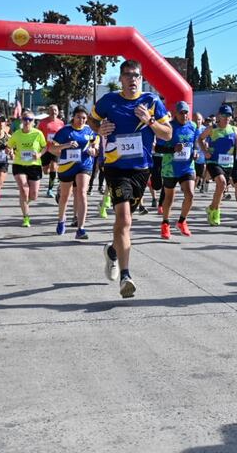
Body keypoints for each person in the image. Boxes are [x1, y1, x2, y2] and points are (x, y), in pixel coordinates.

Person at [88, 60, 172, 297]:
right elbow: (92, 120)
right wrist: (98, 129)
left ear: (141, 78)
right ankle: (126, 275)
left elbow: (168, 134)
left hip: (141, 169)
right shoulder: (109, 101)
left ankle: (113, 252)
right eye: (128, 75)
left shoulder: (151, 102)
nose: (132, 80)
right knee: (124, 220)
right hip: (115, 167)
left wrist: (150, 121)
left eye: (136, 75)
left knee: (123, 224)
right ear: (121, 78)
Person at [51, 106, 98, 239]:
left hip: (84, 164)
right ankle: (61, 220)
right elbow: (52, 149)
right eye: (79, 117)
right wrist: (65, 145)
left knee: (82, 192)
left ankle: (81, 228)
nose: (81, 120)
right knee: (65, 196)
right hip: (67, 166)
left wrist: (94, 150)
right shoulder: (65, 131)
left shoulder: (89, 130)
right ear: (73, 117)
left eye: (84, 118)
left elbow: (96, 145)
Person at [199, 105, 237, 227]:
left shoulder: (234, 129)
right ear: (219, 116)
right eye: (224, 115)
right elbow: (200, 139)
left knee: (221, 187)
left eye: (229, 116)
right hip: (213, 161)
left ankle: (212, 208)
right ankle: (216, 212)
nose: (226, 118)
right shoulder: (212, 128)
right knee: (222, 183)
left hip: (228, 163)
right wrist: (205, 151)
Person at [159, 101, 198, 239]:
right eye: (181, 112)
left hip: (187, 166)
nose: (184, 115)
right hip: (170, 167)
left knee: (190, 194)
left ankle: (182, 221)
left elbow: (195, 144)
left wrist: (195, 152)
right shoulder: (169, 127)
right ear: (175, 113)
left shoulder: (193, 126)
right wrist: (172, 149)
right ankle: (165, 224)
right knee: (169, 197)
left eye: (186, 112)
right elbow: (157, 148)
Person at [8, 111, 47, 228]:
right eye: (25, 119)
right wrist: (9, 152)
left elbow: (45, 147)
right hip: (19, 165)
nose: (27, 122)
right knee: (24, 191)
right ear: (21, 120)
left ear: (34, 122)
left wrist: (39, 155)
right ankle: (26, 217)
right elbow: (8, 146)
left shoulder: (38, 134)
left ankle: (23, 202)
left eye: (30, 120)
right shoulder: (16, 134)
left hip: (34, 165)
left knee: (33, 195)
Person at [37, 104, 65, 199]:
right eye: (52, 110)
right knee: (45, 171)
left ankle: (50, 189)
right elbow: (38, 135)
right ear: (48, 111)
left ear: (58, 112)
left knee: (54, 167)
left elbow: (63, 135)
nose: (54, 112)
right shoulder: (43, 122)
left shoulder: (61, 123)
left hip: (56, 149)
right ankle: (50, 174)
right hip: (45, 149)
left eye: (55, 110)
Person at [193, 112, 209, 193]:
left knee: (200, 174)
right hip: (193, 157)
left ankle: (203, 183)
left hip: (202, 157)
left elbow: (209, 140)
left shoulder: (205, 129)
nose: (197, 122)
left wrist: (207, 144)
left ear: (202, 120)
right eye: (195, 120)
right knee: (195, 176)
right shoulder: (191, 129)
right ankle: (191, 191)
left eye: (199, 120)